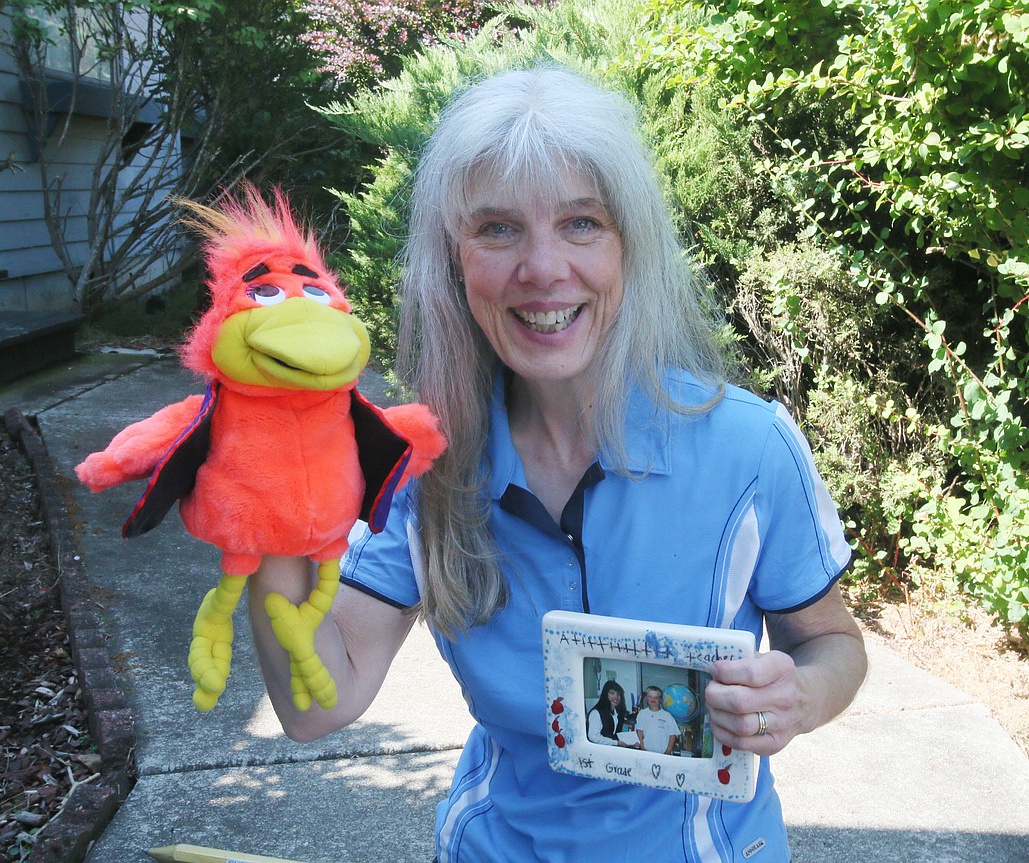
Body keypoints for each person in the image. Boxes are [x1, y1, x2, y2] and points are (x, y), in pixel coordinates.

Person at [248, 64, 867, 862]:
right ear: (455, 258)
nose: (541, 269)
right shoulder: (427, 465)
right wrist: (263, 507)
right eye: (498, 229)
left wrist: (803, 694)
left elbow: (833, 643)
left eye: (581, 223)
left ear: (628, 248)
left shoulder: (749, 448)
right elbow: (311, 706)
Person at [634, 686, 678, 756]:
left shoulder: (667, 716)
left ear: (660, 700)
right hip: (646, 752)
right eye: (650, 696)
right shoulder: (642, 714)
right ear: (646, 698)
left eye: (656, 697)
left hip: (663, 753)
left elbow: (672, 735)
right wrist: (642, 748)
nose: (653, 699)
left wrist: (668, 750)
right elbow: (639, 732)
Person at [587, 680, 629, 746]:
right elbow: (593, 737)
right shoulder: (596, 713)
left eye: (618, 694)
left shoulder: (617, 713)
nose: (616, 697)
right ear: (605, 694)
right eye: (612, 693)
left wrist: (630, 742)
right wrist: (616, 743)